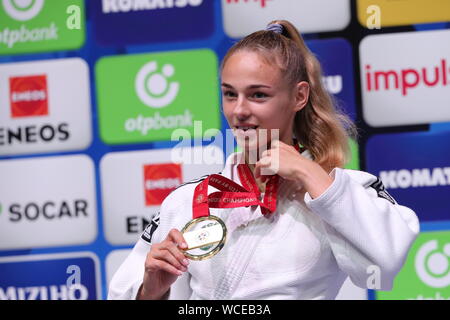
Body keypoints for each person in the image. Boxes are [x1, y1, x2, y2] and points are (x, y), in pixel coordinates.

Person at [108, 20, 419, 300]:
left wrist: (308, 173)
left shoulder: (340, 191)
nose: (239, 110)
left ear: (299, 96)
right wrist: (150, 292)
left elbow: (385, 265)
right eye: (230, 94)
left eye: (258, 95)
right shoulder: (187, 200)